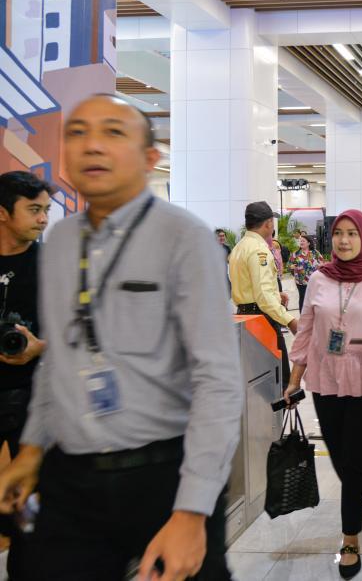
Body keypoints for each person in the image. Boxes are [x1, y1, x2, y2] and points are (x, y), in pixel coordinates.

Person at [0, 94, 241, 579]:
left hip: (163, 476)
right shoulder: (61, 242)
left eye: (113, 132)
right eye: (77, 132)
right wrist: (31, 449)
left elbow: (217, 379)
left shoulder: (184, 237)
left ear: (150, 158)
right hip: (71, 478)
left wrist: (192, 510)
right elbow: (59, 361)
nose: (92, 145)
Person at [284, 210, 362, 579]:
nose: (344, 240)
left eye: (353, 233)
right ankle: (357, 491)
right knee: (339, 456)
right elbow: (306, 331)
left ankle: (350, 537)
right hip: (325, 380)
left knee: (353, 460)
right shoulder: (319, 277)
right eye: (339, 233)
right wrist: (294, 380)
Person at [0, 172, 52, 579]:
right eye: (34, 210)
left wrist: (40, 347)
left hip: (33, 401)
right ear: (3, 213)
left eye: (46, 210)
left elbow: (75, 333)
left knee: (30, 508)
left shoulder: (52, 266)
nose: (43, 219)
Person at [230, 201, 298, 390]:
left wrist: (276, 294)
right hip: (262, 321)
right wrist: (290, 320)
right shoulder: (259, 250)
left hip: (244, 317)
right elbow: (263, 297)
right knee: (278, 383)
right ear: (268, 223)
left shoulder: (239, 247)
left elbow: (251, 287)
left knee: (255, 381)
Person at [286, 234, 323, 313]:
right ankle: (303, 316)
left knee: (313, 298)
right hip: (300, 281)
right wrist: (291, 266)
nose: (301, 242)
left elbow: (322, 264)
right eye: (300, 241)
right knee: (303, 298)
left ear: (308, 243)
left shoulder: (315, 253)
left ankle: (314, 315)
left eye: (303, 241)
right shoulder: (296, 253)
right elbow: (288, 266)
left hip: (313, 280)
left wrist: (319, 267)